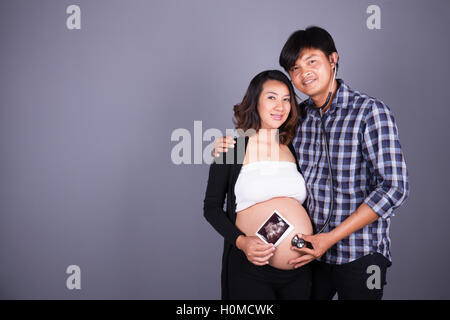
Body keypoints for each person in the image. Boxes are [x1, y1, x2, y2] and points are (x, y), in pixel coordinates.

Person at [213, 26, 409, 300]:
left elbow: (394, 188)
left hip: (360, 254)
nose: (303, 72)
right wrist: (228, 145)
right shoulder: (297, 118)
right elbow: (262, 155)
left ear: (333, 59)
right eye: (295, 68)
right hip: (309, 257)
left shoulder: (370, 112)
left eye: (312, 61)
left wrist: (330, 238)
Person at [203, 70, 313, 300]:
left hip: (299, 272)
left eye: (286, 99)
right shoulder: (231, 149)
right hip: (251, 271)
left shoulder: (295, 148)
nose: (280, 106)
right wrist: (241, 242)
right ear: (255, 102)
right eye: (271, 97)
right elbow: (211, 208)